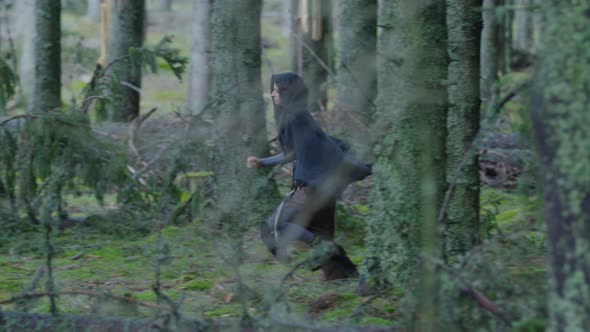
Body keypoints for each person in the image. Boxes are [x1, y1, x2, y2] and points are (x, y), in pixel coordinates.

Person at [247, 72, 372, 281]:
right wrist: (262, 162)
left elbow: (321, 152)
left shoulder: (297, 119)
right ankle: (343, 276)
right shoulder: (299, 118)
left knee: (275, 225)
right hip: (325, 189)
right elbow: (295, 153)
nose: (273, 94)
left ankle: (321, 251)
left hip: (312, 189)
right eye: (274, 90)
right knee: (322, 234)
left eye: (278, 91)